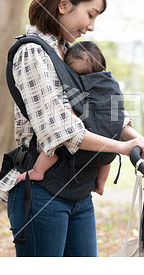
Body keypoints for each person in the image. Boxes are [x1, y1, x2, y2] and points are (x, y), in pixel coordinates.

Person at [1, 0, 144, 257]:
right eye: (90, 14)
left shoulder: (73, 53)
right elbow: (61, 129)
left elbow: (103, 111)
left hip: (79, 192)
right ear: (63, 4)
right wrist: (124, 147)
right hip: (42, 194)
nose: (91, 26)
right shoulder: (32, 52)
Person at [16, 41, 111, 196]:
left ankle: (38, 171)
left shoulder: (73, 90)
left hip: (80, 139)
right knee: (106, 159)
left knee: (55, 147)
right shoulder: (107, 88)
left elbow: (65, 126)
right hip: (103, 143)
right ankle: (100, 184)